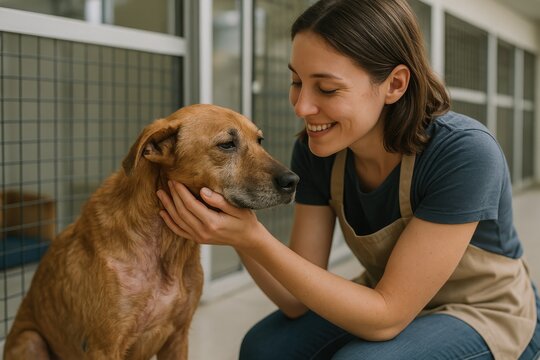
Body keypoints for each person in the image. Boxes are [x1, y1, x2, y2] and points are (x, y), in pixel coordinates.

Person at [157, 0, 540, 358]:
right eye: (297, 82)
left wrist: (252, 237)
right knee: (264, 348)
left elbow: (388, 316)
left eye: (326, 88)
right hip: (388, 296)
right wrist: (239, 230)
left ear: (394, 85)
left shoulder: (464, 153)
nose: (303, 106)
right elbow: (294, 301)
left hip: (485, 311)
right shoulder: (316, 150)